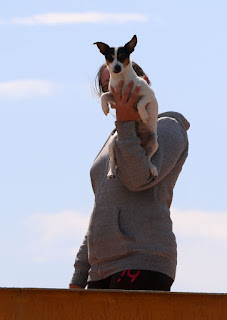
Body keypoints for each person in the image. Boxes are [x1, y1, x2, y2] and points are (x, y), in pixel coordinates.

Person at [69, 62, 190, 291]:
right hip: (100, 271)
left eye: (122, 78)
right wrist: (79, 275)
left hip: (142, 260)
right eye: (109, 85)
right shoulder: (115, 139)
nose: (117, 88)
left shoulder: (168, 128)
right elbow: (101, 210)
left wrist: (125, 123)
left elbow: (137, 180)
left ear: (142, 78)